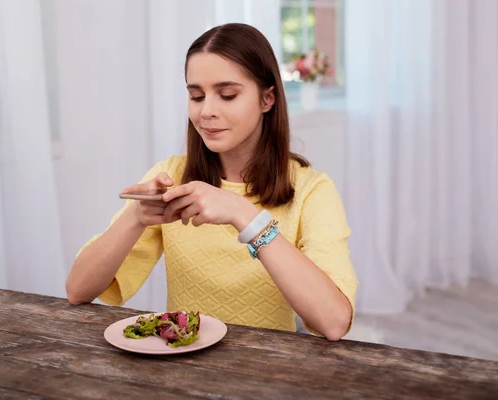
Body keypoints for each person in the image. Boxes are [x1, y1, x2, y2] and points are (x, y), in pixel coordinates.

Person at [66, 23, 358, 341]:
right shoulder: (170, 177)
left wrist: (244, 215)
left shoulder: (311, 190)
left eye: (227, 95)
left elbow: (334, 322)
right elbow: (78, 290)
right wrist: (134, 218)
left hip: (270, 371)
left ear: (267, 99)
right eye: (196, 96)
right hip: (183, 369)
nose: (206, 111)